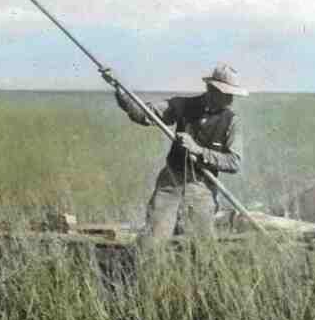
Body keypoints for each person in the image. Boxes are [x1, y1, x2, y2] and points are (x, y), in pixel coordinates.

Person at [101, 64, 247, 242]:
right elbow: (143, 113)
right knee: (152, 240)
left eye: (231, 94)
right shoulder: (183, 105)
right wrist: (119, 88)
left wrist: (199, 150)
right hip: (171, 182)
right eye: (226, 94)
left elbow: (234, 162)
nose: (231, 99)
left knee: (203, 247)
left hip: (202, 188)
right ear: (212, 89)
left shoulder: (232, 122)